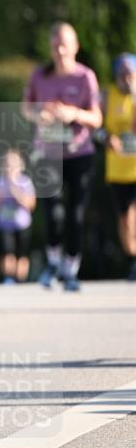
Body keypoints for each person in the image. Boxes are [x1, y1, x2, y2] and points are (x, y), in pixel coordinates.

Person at [22, 22, 103, 291]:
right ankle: (53, 263)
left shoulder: (85, 77)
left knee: (75, 215)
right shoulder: (40, 75)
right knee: (53, 213)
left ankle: (71, 269)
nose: (59, 50)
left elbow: (97, 118)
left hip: (80, 154)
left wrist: (74, 114)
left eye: (64, 45)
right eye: (55, 45)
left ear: (75, 47)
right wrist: (40, 115)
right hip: (48, 153)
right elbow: (26, 108)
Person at [102, 53, 136, 281]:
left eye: (130, 73)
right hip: (117, 169)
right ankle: (132, 259)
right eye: (122, 74)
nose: (126, 78)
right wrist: (107, 138)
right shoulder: (107, 96)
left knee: (133, 216)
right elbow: (97, 127)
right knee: (124, 218)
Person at [0, 149, 36, 283]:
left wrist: (15, 191)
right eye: (6, 163)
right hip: (3, 223)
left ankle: (21, 280)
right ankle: (8, 278)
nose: (9, 167)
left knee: (22, 253)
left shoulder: (25, 182)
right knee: (6, 251)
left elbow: (31, 204)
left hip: (22, 223)